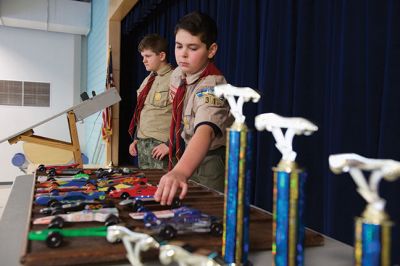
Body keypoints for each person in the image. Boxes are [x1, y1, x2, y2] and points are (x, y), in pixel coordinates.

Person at [155, 12, 233, 205]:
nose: (183, 54)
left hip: (211, 159)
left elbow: (205, 132)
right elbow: (178, 116)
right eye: (178, 46)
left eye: (193, 48)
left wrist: (180, 171)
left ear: (211, 50)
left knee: (208, 212)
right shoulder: (177, 75)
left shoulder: (213, 86)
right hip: (186, 152)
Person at [128, 34, 173, 169]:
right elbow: (142, 111)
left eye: (148, 56)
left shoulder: (175, 78)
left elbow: (182, 117)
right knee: (147, 187)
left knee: (161, 188)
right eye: (143, 57)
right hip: (143, 143)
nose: (144, 60)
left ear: (162, 56)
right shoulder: (147, 80)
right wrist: (136, 138)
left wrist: (170, 144)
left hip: (160, 145)